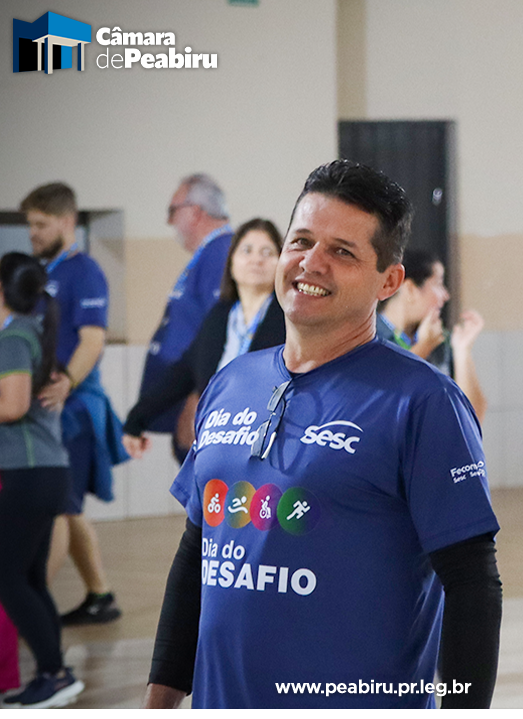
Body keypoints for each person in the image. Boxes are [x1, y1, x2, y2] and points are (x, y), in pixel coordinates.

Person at [143, 160, 502, 709]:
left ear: (388, 281)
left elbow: (472, 584)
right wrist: (160, 698)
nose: (312, 262)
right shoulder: (232, 383)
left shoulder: (423, 401)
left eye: (342, 251)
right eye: (302, 241)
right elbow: (196, 552)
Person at [20, 183, 127, 626]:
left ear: (67, 221)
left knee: (59, 508)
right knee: (68, 506)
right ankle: (100, 594)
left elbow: (93, 339)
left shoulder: (84, 271)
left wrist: (66, 383)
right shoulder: (44, 273)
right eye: (30, 225)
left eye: (41, 224)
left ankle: (29, 610)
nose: (33, 233)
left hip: (73, 408)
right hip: (48, 409)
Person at [122, 218, 285, 459]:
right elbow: (184, 372)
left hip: (269, 443)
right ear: (231, 262)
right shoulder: (219, 316)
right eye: (247, 250)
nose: (256, 259)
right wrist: (137, 420)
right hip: (218, 438)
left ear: (282, 262)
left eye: (267, 252)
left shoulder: (290, 319)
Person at [0, 253, 84, 708]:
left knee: (8, 577)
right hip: (45, 472)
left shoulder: (14, 336)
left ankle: (53, 673)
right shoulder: (33, 330)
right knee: (30, 578)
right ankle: (55, 672)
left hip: (28, 472)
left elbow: (12, 406)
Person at [138, 174, 233, 462]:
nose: (170, 222)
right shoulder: (207, 254)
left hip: (200, 402)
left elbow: (221, 335)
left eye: (173, 211)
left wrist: (196, 398)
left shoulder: (219, 254)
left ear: (195, 212)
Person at [376, 248, 487, 423]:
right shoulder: (369, 337)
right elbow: (378, 399)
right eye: (438, 284)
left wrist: (462, 350)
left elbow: (473, 416)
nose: (446, 295)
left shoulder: (440, 339)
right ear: (410, 289)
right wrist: (423, 347)